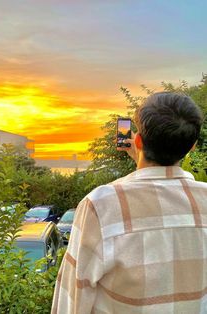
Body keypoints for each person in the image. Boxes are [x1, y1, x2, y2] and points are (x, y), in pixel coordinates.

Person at [51, 92, 207, 314]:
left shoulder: (101, 206)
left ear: (138, 140)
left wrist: (143, 158)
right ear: (192, 146)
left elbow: (72, 299)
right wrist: (141, 159)